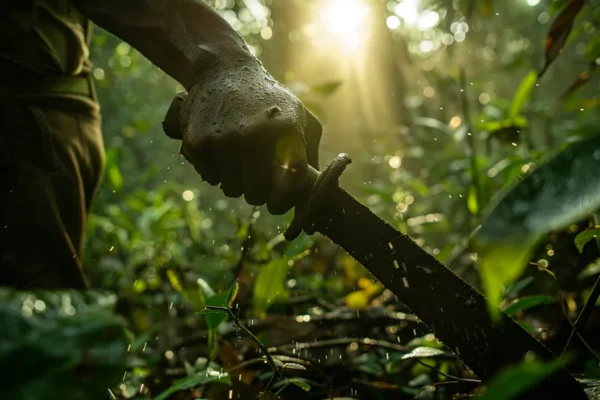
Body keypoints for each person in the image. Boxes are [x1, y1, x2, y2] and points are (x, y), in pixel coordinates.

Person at [0, 0, 322, 290]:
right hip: (44, 121)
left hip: (32, 128)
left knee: (34, 320)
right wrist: (220, 62)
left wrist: (222, 62)